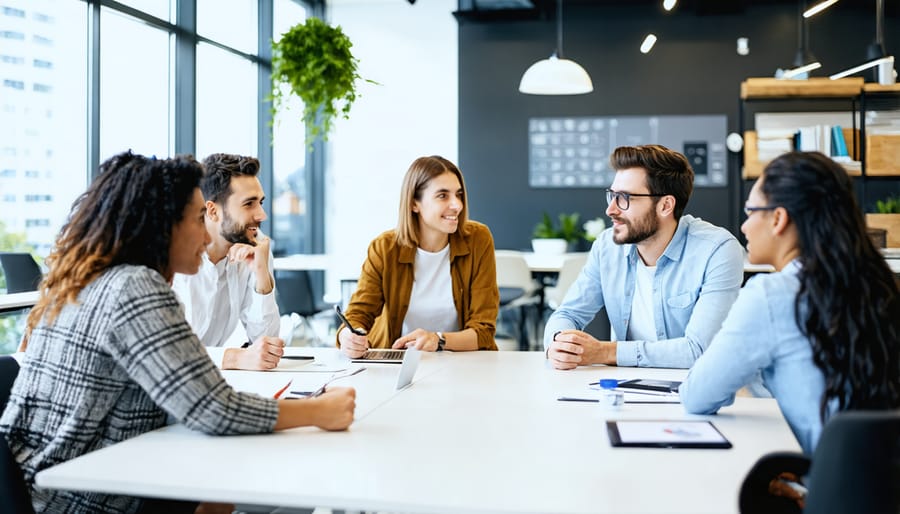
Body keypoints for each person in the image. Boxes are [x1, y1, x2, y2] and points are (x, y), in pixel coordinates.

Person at [0, 151, 355, 514]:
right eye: (199, 218)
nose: (206, 234)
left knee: (221, 489)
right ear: (164, 224)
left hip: (63, 483)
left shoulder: (101, 279)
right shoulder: (134, 286)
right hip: (81, 498)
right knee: (257, 491)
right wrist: (319, 411)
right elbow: (213, 410)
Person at [680, 151, 900, 456]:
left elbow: (697, 395)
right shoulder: (877, 284)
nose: (744, 227)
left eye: (750, 211)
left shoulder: (772, 294)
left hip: (820, 488)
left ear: (779, 218)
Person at [544, 144, 744, 369]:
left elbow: (699, 350)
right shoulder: (607, 246)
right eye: (612, 195)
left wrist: (605, 352)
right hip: (623, 389)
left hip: (691, 390)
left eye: (624, 197)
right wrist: (558, 344)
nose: (611, 209)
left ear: (665, 205)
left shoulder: (717, 250)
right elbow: (568, 313)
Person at [338, 155, 499, 356]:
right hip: (397, 363)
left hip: (463, 363)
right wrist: (348, 337)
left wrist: (438, 339)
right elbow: (358, 314)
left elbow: (484, 331)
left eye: (458, 195)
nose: (457, 205)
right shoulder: (384, 248)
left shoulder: (478, 239)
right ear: (414, 203)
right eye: (443, 195)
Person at [172, 153, 283, 371]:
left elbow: (266, 347)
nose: (262, 215)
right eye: (249, 204)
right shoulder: (175, 260)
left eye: (260, 202)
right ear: (212, 211)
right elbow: (164, 353)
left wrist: (261, 271)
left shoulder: (254, 251)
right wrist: (232, 358)